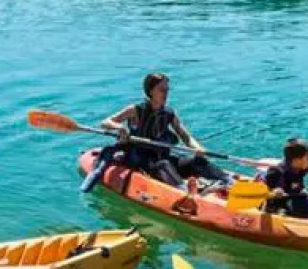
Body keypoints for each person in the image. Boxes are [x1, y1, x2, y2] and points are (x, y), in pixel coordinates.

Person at [97, 72, 229, 187]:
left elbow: (185, 136)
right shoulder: (135, 110)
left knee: (196, 161)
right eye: (162, 90)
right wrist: (119, 127)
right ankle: (183, 192)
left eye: (167, 90)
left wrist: (197, 148)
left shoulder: (169, 113)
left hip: (162, 157)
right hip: (142, 161)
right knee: (164, 164)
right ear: (151, 91)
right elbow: (105, 123)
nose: (166, 93)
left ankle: (228, 181)